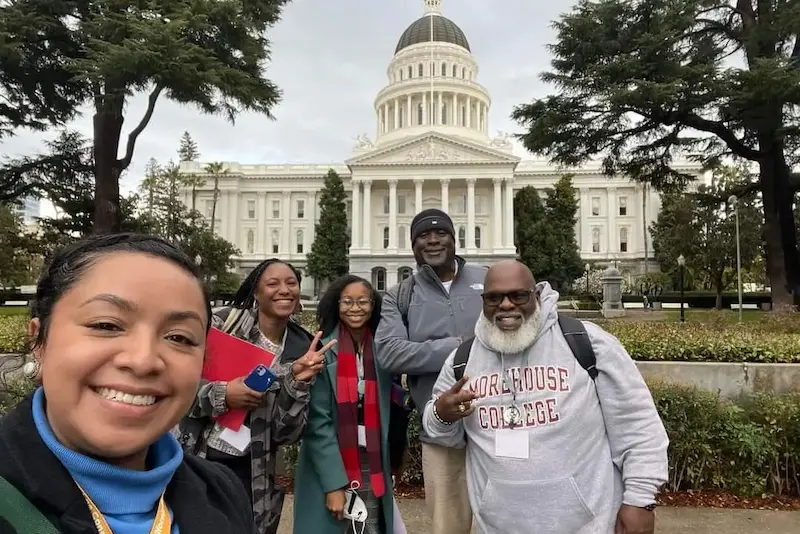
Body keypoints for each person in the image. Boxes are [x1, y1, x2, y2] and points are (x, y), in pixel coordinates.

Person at [0, 233, 255, 533]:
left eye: (179, 337)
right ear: (38, 341)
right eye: (106, 325)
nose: (143, 360)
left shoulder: (223, 493)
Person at [422, 260, 669, 534]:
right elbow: (438, 431)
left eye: (518, 295)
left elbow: (639, 427)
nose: (505, 305)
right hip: (498, 527)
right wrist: (441, 415)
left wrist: (640, 501)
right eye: (494, 298)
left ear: (536, 296)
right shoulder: (462, 360)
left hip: (588, 526)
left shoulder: (587, 342)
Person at [178, 259, 331, 534]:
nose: (284, 290)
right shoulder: (222, 324)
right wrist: (224, 394)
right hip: (197, 458)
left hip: (255, 473)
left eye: (291, 283)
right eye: (272, 283)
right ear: (255, 292)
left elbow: (287, 433)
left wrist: (297, 382)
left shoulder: (303, 348)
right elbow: (176, 390)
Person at [375, 208, 486, 534]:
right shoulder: (400, 295)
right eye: (424, 235)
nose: (433, 240)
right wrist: (463, 347)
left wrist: (426, 351)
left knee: (511, 521)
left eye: (441, 234)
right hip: (442, 430)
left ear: (454, 239)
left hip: (500, 425)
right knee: (447, 526)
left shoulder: (488, 278)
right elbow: (390, 353)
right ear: (413, 244)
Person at [293, 275, 395, 534]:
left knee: (369, 526)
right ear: (336, 305)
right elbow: (318, 423)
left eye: (362, 301)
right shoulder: (324, 351)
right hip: (333, 460)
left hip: (372, 460)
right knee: (335, 525)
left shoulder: (383, 348)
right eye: (347, 301)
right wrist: (333, 484)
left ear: (373, 305)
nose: (355, 308)